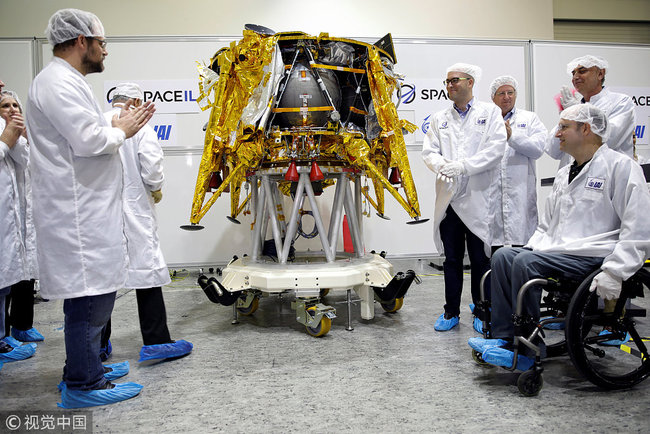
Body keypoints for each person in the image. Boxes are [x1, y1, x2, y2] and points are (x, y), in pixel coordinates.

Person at [25, 9, 155, 408]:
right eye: (101, 43)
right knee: (89, 297)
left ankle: (83, 367)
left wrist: (112, 119)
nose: (105, 51)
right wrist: (122, 129)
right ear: (81, 41)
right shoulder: (57, 83)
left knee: (95, 294)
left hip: (85, 209)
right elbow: (86, 141)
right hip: (76, 215)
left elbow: (80, 128)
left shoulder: (66, 82)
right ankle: (84, 383)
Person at [469, 104, 650, 370]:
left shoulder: (621, 167)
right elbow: (547, 226)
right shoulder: (566, 172)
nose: (557, 134)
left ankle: (528, 349)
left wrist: (616, 271)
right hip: (560, 251)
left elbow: (638, 226)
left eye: (563, 127)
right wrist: (531, 248)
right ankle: (505, 338)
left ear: (585, 129)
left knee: (525, 263)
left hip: (595, 255)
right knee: (504, 256)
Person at [101, 82, 192, 362]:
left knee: (102, 278)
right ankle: (156, 341)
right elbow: (151, 169)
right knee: (147, 269)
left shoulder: (97, 121)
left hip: (101, 212)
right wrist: (156, 189)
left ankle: (97, 346)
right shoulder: (141, 126)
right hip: (134, 207)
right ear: (136, 102)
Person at [422, 63, 507, 331]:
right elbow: (429, 151)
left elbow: (496, 149)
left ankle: (483, 313)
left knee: (481, 260)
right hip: (449, 200)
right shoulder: (439, 118)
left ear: (470, 82)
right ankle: (450, 312)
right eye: (446, 81)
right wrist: (441, 165)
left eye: (454, 80)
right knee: (452, 260)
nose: (449, 85)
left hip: (478, 199)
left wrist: (464, 167)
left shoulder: (490, 113)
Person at [0, 91, 43, 344]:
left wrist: (27, 140)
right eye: (5, 105)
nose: (12, 109)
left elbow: (31, 163)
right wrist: (11, 138)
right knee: (7, 275)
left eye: (16, 105)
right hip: (8, 217)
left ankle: (23, 325)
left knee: (26, 272)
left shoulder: (22, 137)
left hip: (26, 216)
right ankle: (5, 335)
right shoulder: (6, 137)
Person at [546, 55, 635, 168]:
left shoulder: (620, 102)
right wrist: (569, 117)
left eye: (582, 71)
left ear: (600, 74)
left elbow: (608, 139)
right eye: (573, 73)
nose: (576, 77)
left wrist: (579, 116)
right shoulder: (574, 107)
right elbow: (552, 150)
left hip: (607, 173)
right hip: (573, 175)